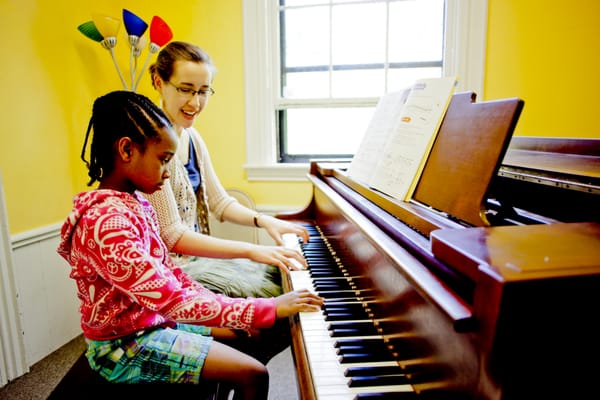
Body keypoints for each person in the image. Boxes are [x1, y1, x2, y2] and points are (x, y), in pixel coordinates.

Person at [57, 90, 323, 400]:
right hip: (123, 346)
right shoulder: (107, 223)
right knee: (254, 373)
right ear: (127, 149)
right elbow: (170, 300)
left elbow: (173, 276)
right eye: (163, 160)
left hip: (150, 322)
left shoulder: (136, 204)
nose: (168, 173)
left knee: (246, 331)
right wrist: (265, 307)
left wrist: (245, 314)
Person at [143, 42, 309, 364]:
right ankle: (228, 366)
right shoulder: (152, 143)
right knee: (279, 308)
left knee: (281, 275)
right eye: (186, 89)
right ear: (158, 82)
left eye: (204, 91)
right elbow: (172, 236)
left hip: (194, 262)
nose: (195, 102)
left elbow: (219, 202)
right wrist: (250, 250)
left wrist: (265, 221)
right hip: (173, 270)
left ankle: (235, 369)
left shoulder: (191, 137)